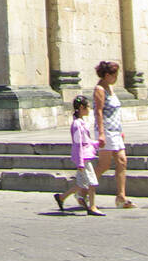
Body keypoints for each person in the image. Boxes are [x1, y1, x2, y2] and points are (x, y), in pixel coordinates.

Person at [93, 59, 135, 208]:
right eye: (114, 74)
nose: (116, 77)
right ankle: (83, 191)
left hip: (116, 131)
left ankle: (121, 197)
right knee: (104, 165)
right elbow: (98, 111)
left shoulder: (110, 88)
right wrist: (101, 134)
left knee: (122, 161)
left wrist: (121, 131)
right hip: (107, 131)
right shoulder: (100, 89)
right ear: (106, 75)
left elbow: (115, 112)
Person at [54, 95, 102, 215]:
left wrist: (96, 144)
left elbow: (86, 141)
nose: (89, 109)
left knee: (81, 184)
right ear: (81, 107)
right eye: (88, 107)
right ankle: (92, 207)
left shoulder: (81, 123)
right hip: (84, 158)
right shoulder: (76, 124)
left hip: (85, 156)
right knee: (91, 182)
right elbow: (78, 144)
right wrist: (80, 162)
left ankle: (61, 197)